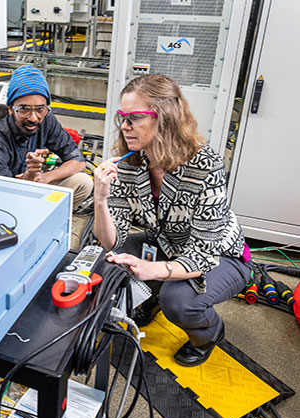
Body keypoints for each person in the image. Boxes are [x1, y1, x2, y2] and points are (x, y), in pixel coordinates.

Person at [94, 74, 252, 367]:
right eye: (122, 118)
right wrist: (100, 199)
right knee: (114, 256)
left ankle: (208, 333)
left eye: (135, 118)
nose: (125, 127)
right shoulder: (131, 161)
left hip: (222, 256)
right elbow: (110, 241)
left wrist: (150, 268)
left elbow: (204, 254)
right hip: (170, 243)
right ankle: (153, 295)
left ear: (165, 118)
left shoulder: (205, 164)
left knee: (178, 301)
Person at [0, 65, 93, 209]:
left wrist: (46, 177)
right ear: (10, 109)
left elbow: (78, 161)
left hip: (32, 184)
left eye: (40, 109)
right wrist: (28, 180)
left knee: (83, 182)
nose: (33, 118)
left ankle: (51, 220)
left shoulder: (46, 119)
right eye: (24, 109)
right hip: (3, 197)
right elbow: (2, 194)